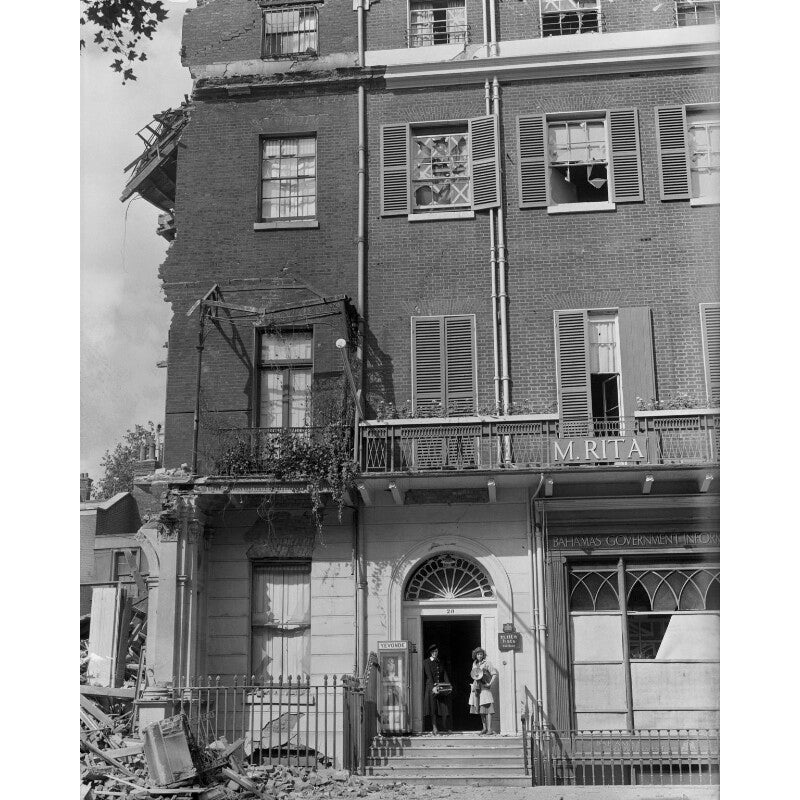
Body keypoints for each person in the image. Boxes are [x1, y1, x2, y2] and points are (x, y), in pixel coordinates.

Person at [469, 647, 498, 735]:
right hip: (477, 688)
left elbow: (494, 674)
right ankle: (484, 728)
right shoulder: (474, 664)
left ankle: (490, 729)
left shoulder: (487, 663)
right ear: (475, 655)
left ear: (483, 655)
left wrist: (489, 683)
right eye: (478, 654)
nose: (479, 656)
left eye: (481, 654)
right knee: (480, 709)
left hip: (485, 687)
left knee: (488, 707)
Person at [422, 644, 451, 734]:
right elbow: (429, 676)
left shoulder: (440, 662)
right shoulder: (426, 662)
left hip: (441, 688)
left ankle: (444, 726)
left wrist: (449, 685)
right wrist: (433, 687)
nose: (435, 653)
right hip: (432, 688)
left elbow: (444, 674)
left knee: (443, 708)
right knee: (433, 708)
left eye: (436, 651)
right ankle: (434, 727)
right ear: (431, 653)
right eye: (433, 652)